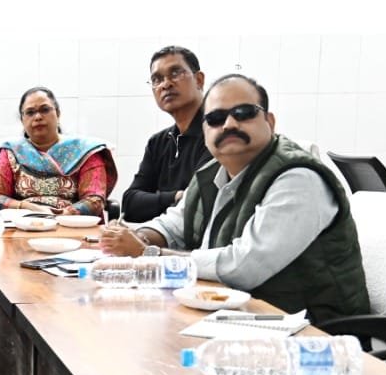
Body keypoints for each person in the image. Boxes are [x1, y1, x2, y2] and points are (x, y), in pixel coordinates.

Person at [100, 74, 369, 323]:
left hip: (311, 332)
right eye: (215, 118)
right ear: (205, 131)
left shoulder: (298, 178)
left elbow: (243, 266)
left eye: (244, 113)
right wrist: (139, 238)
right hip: (236, 315)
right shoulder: (211, 173)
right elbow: (173, 224)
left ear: (270, 122)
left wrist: (149, 254)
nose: (229, 124)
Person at [0, 87, 116, 217]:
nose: (38, 117)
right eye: (30, 112)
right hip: (23, 224)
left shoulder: (85, 151)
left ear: (58, 113)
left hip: (72, 225)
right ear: (22, 120)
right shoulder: (12, 151)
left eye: (45, 110)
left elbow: (94, 200)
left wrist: (65, 214)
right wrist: (25, 207)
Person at [120, 45, 213, 221]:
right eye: (157, 79)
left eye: (175, 73)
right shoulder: (158, 142)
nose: (166, 84)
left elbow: (197, 203)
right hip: (158, 232)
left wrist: (158, 200)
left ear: (199, 80)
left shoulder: (216, 134)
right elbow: (130, 204)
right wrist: (176, 196)